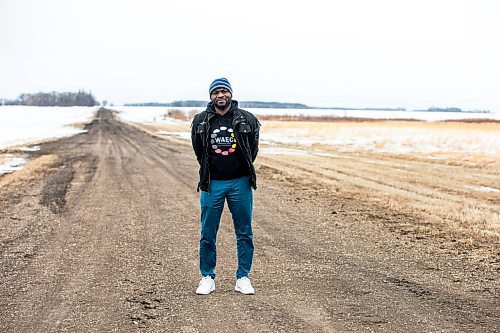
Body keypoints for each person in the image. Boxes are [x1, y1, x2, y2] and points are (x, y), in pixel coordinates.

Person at [191, 77, 260, 295]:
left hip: (240, 183)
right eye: (216, 92)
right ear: (211, 96)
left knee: (244, 232)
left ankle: (243, 277)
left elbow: (253, 149)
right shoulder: (201, 120)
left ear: (230, 93)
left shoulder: (247, 119)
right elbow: (199, 151)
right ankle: (207, 277)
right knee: (208, 232)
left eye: (224, 91)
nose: (220, 95)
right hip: (213, 185)